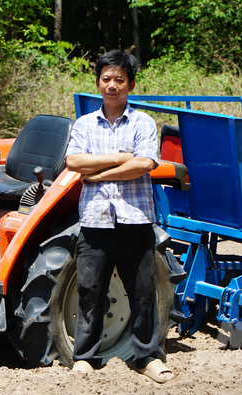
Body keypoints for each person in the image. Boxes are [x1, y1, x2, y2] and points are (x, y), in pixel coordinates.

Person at [64, 50, 174, 383]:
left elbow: (143, 163)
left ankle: (147, 357)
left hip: (135, 218)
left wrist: (97, 174)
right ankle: (85, 356)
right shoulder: (84, 124)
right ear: (98, 83)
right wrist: (117, 159)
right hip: (95, 219)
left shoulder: (143, 123)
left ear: (131, 84)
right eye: (107, 79)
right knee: (89, 290)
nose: (112, 86)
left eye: (120, 80)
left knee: (142, 292)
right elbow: (73, 163)